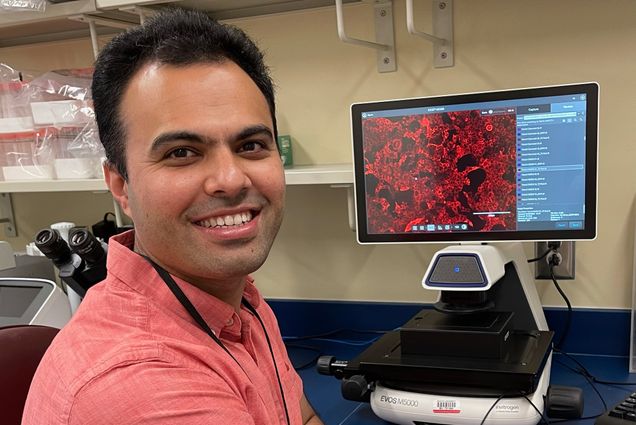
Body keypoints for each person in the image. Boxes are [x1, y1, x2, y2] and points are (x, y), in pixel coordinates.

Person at [23, 8, 322, 425]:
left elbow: (300, 417)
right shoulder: (144, 385)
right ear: (120, 185)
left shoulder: (238, 300)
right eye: (181, 153)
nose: (231, 180)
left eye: (251, 145)